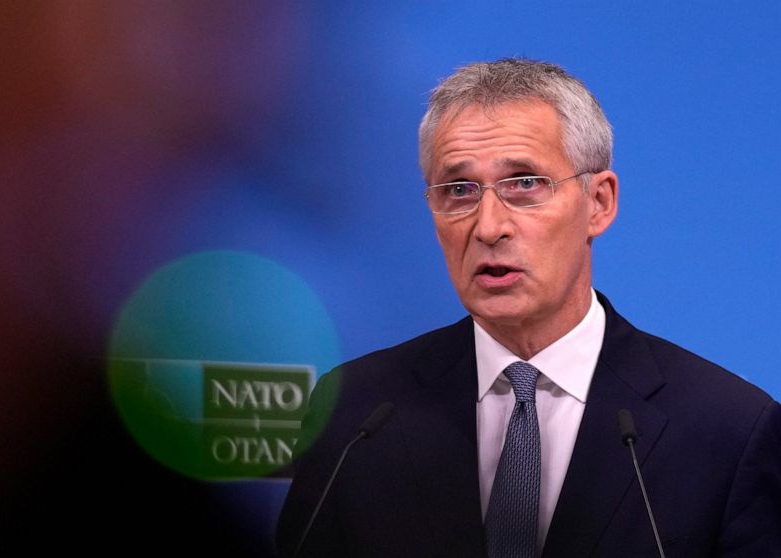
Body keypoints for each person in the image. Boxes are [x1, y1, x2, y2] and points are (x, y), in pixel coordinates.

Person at [276, 58, 781, 558]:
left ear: (599, 203)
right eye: (458, 190)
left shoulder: (728, 431)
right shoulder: (356, 414)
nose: (488, 226)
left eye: (524, 184)